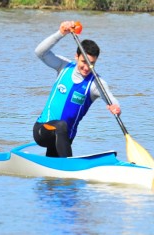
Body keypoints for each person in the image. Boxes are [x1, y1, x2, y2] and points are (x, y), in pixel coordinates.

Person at [33, 21, 121, 157]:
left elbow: (112, 99)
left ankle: (56, 176)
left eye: (91, 63)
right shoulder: (63, 66)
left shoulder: (96, 83)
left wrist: (116, 108)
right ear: (76, 57)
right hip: (42, 129)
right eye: (84, 61)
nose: (87, 67)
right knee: (61, 126)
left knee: (55, 175)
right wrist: (61, 33)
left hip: (65, 139)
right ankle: (70, 168)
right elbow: (40, 52)